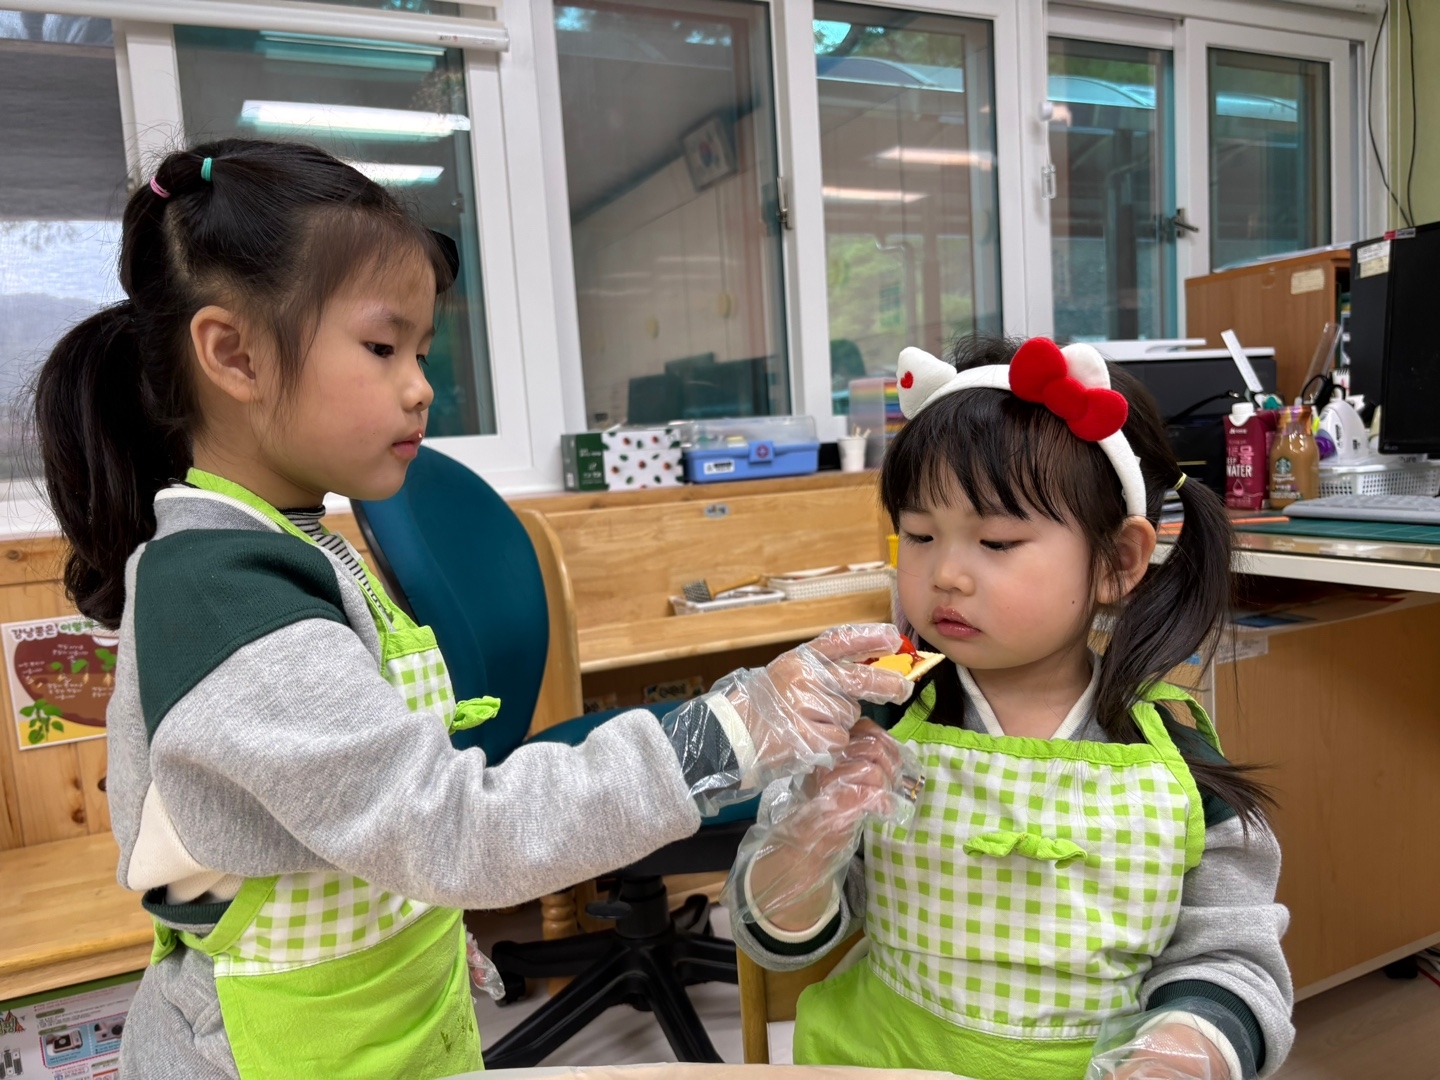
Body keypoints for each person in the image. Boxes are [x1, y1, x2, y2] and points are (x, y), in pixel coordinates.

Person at [33, 138, 913, 1080]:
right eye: (383, 348)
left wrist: (420, 929)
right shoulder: (223, 596)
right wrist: (729, 731)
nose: (421, 387)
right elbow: (448, 827)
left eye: (420, 352)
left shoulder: (296, 545)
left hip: (371, 1018)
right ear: (234, 354)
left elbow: (354, 821)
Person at [725, 335, 1294, 1079]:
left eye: (995, 541)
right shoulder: (880, 720)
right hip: (881, 1061)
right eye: (919, 535)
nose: (946, 574)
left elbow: (1232, 961)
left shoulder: (1175, 757)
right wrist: (807, 841)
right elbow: (779, 937)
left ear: (1118, 561)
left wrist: (1186, 1049)